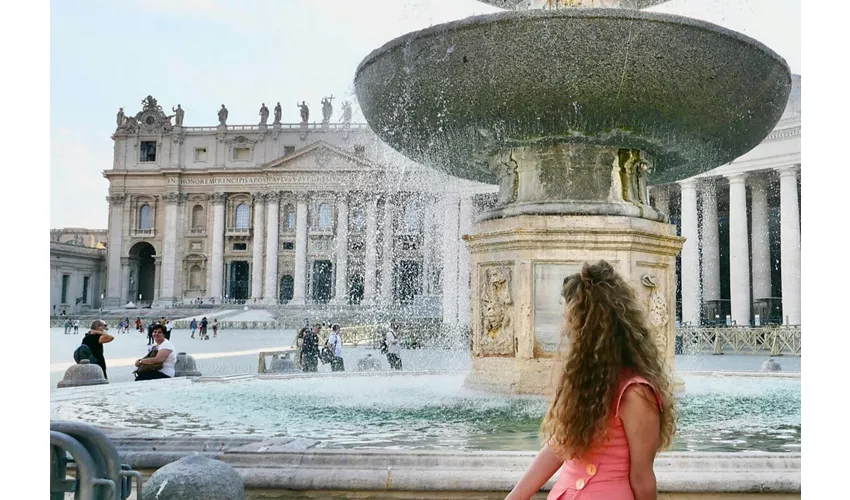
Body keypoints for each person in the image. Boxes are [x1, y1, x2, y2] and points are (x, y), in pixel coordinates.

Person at [506, 261, 676, 500]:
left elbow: (642, 477)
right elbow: (558, 447)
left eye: (572, 322)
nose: (566, 329)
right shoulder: (586, 380)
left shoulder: (635, 393)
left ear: (594, 331)